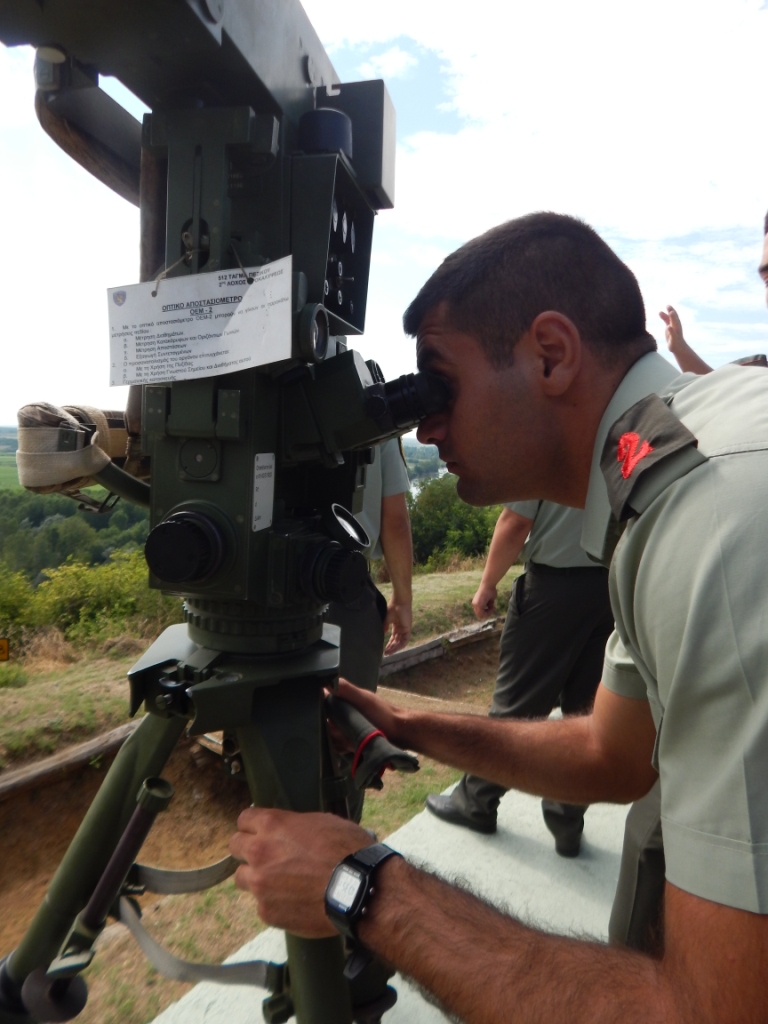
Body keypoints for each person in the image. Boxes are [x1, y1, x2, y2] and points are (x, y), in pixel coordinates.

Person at [230, 212, 768, 1023]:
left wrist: (363, 886)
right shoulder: (669, 466)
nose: (422, 425)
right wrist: (411, 723)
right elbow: (613, 755)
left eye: (441, 386)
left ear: (551, 355)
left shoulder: (713, 525)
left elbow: (708, 1011)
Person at [426, 501, 613, 857]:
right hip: (609, 589)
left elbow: (515, 521)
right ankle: (567, 821)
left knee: (517, 704)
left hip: (551, 589)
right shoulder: (628, 442)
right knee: (586, 713)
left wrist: (486, 584)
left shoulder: (550, 443)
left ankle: (476, 802)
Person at [325, 437, 413, 691]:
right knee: (347, 716)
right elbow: (395, 521)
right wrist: (403, 599)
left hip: (253, 585)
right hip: (343, 587)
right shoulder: (373, 406)